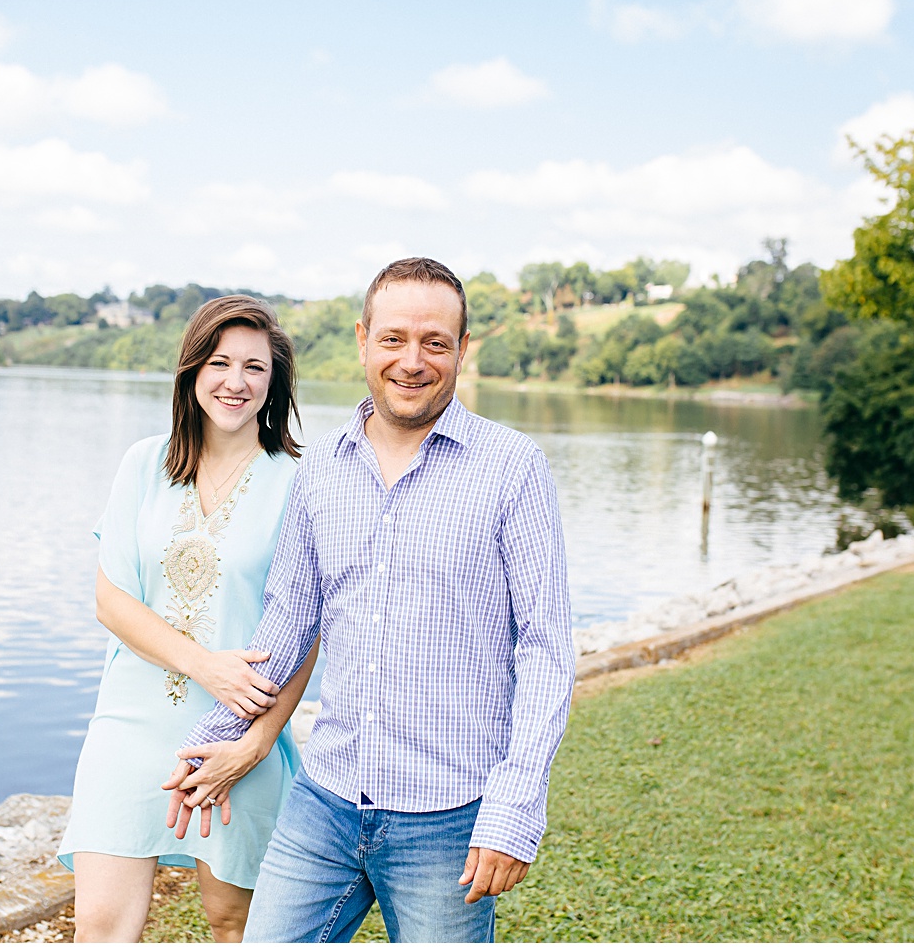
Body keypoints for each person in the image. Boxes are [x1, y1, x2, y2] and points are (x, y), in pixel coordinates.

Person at [164, 257, 574, 943]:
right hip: (323, 800)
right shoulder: (322, 465)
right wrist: (220, 732)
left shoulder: (514, 467)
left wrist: (515, 802)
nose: (412, 360)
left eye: (434, 342)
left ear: (462, 350)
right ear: (362, 340)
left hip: (449, 818)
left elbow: (546, 649)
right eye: (393, 339)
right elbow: (290, 618)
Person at [58, 295, 320, 943]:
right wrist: (203, 663)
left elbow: (308, 629)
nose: (236, 381)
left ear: (274, 382)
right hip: (128, 724)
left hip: (235, 736)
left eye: (254, 367)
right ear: (192, 368)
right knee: (98, 924)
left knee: (237, 920)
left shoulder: (302, 481)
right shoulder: (144, 463)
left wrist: (256, 743)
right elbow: (111, 601)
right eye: (220, 361)